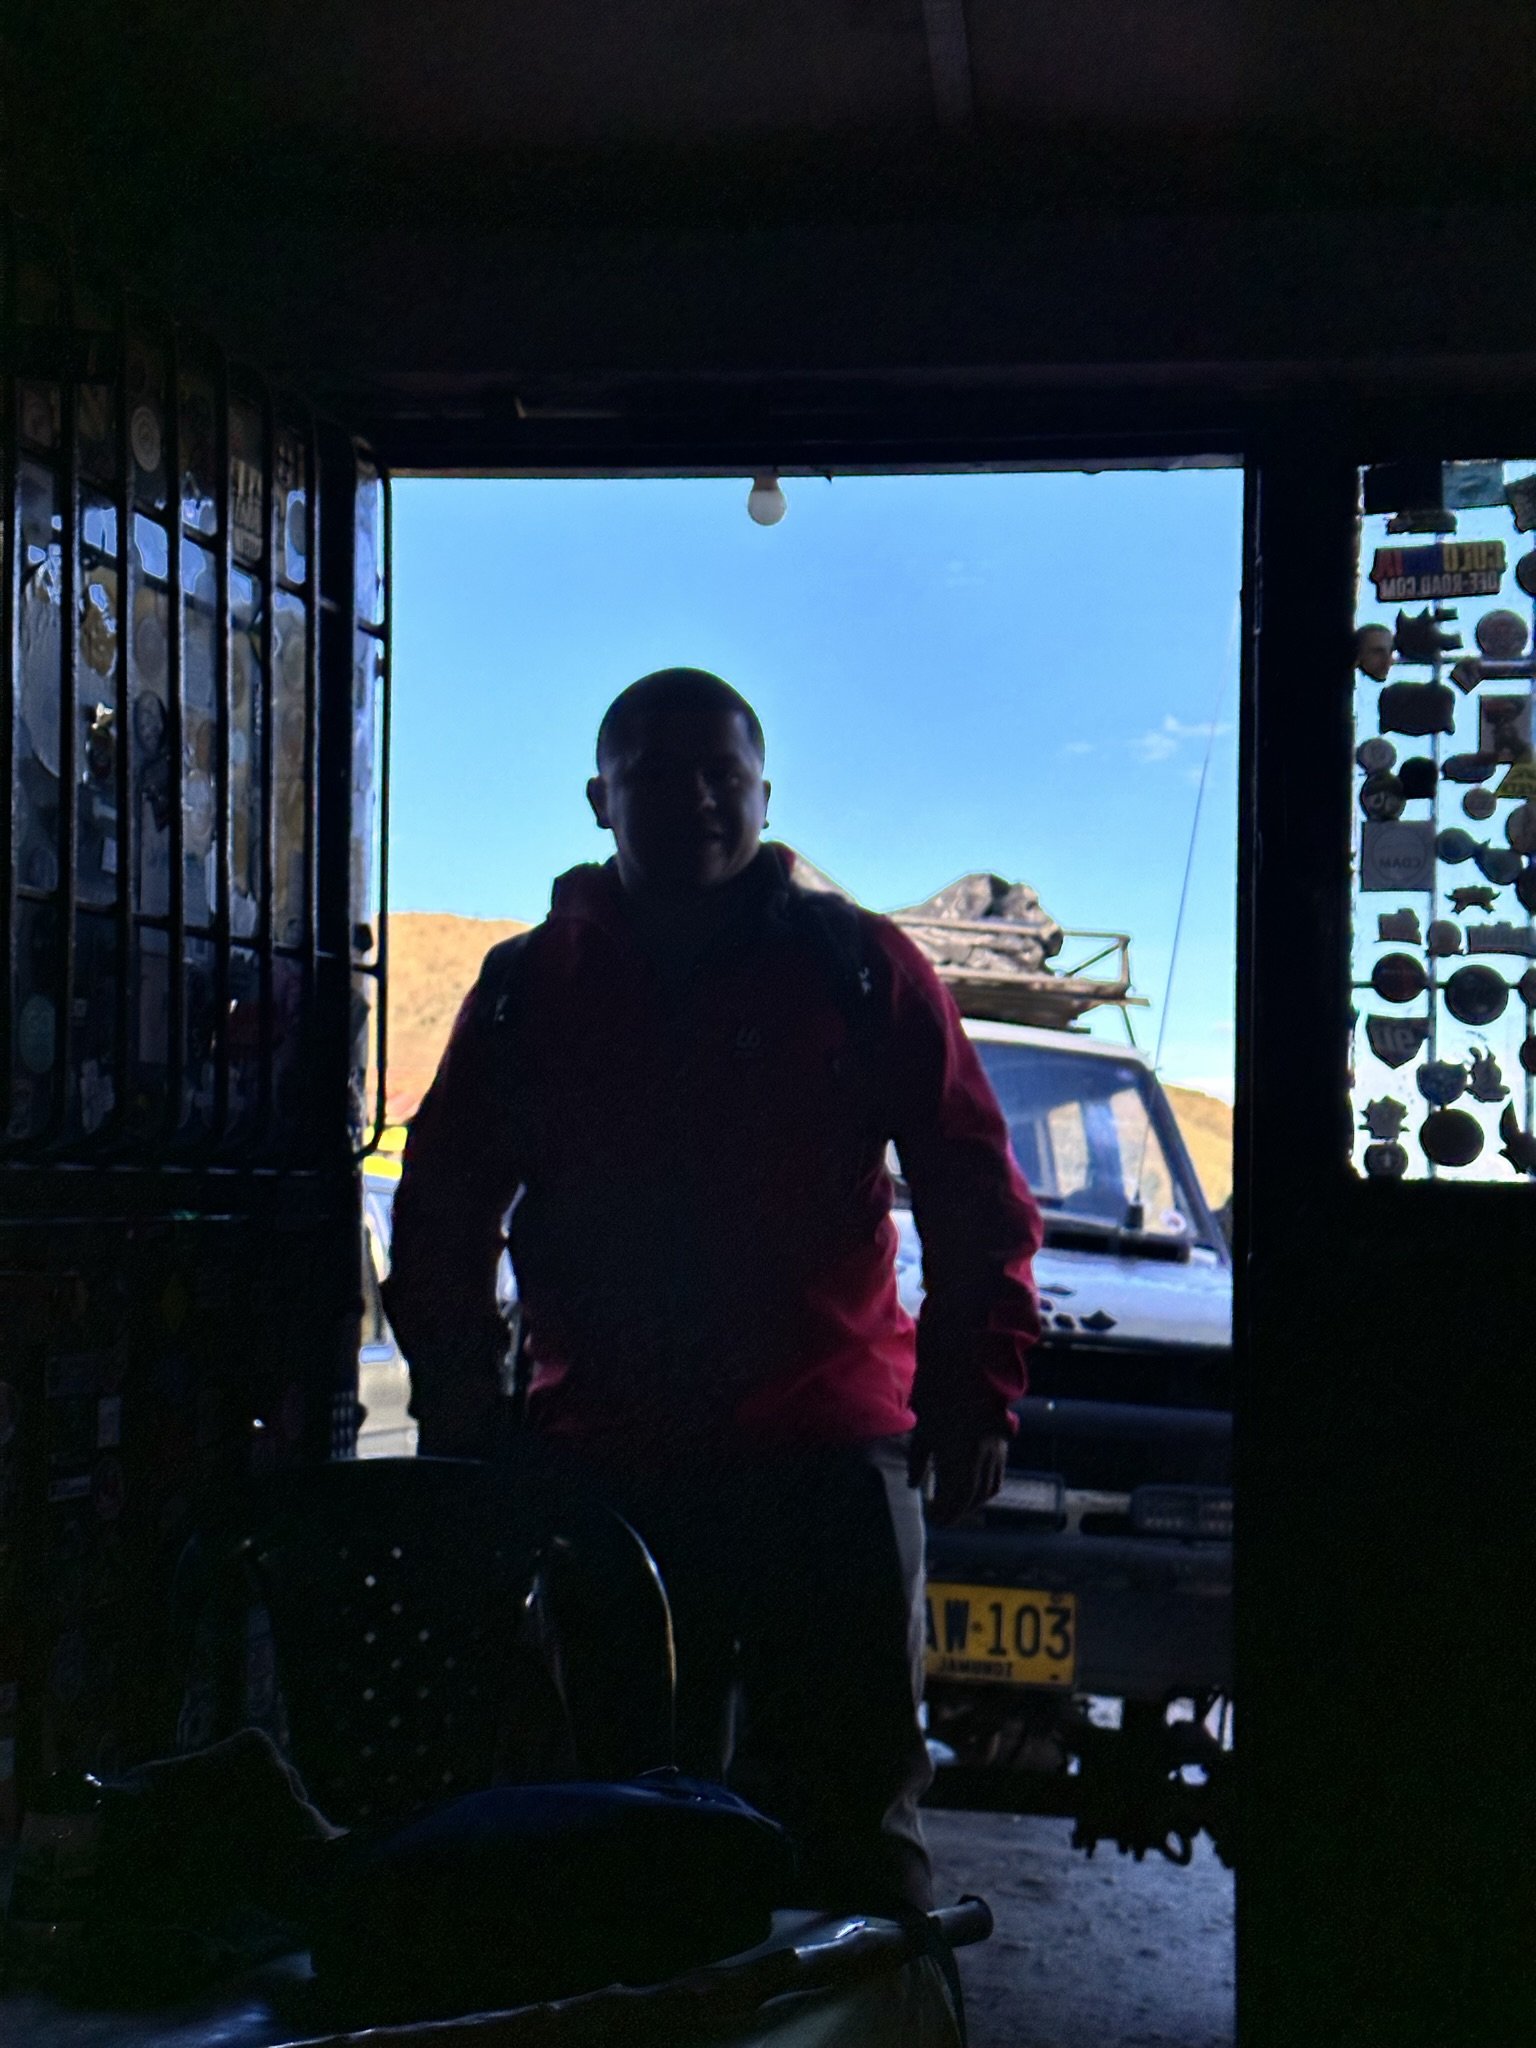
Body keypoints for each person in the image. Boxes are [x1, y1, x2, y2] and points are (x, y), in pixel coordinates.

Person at [382, 667, 1042, 1916]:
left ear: (763, 792)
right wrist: (460, 1397)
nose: (691, 798)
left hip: (828, 1470)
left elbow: (973, 1184)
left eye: (718, 774)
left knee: (855, 1832)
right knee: (611, 1827)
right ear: (598, 799)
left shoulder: (859, 965)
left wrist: (974, 1390)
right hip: (607, 1471)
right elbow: (444, 1198)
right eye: (653, 774)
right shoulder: (529, 989)